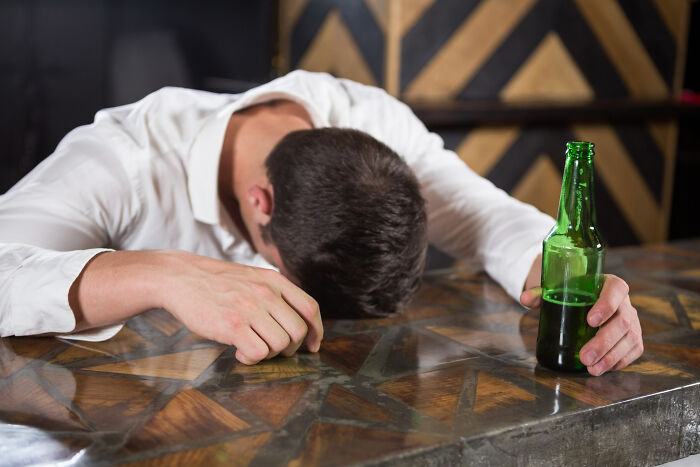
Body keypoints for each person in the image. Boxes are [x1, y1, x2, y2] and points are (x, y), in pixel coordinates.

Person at [0, 71, 642, 374]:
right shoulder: (122, 159)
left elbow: (479, 215)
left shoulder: (370, 121)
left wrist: (567, 277)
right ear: (263, 204)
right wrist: (164, 275)